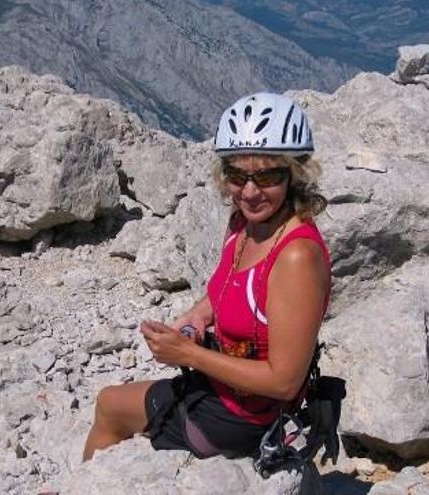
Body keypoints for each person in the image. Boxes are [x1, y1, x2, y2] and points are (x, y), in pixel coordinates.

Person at [82, 92, 331, 461]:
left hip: (243, 418)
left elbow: (285, 381)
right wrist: (198, 316)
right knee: (113, 402)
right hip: (224, 389)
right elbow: (225, 290)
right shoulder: (245, 224)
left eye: (267, 176)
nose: (249, 191)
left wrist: (188, 354)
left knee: (110, 406)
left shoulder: (296, 256)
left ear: (293, 175)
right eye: (236, 175)